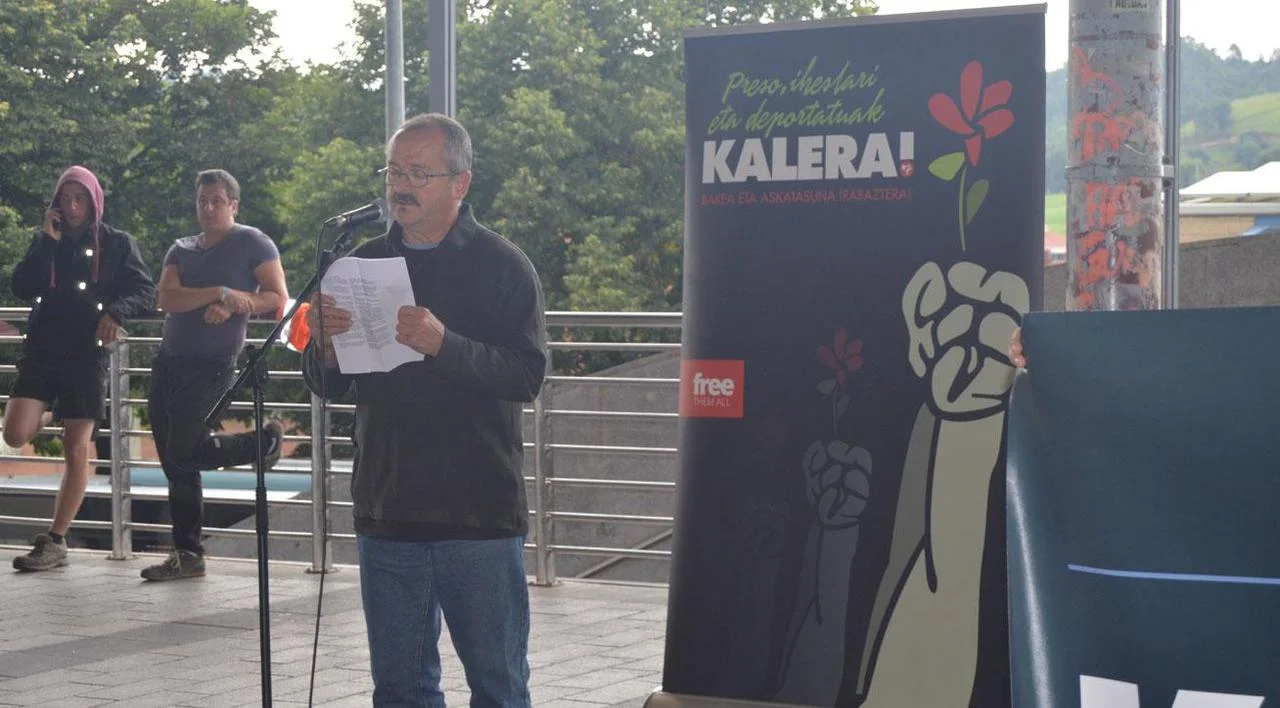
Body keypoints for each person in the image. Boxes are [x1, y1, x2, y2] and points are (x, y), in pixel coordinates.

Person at [302, 113, 547, 707]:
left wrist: (445, 345)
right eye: (394, 172)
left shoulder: (503, 266)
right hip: (388, 508)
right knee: (400, 689)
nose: (401, 186)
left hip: (476, 512)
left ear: (460, 183)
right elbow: (326, 382)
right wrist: (325, 347)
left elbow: (526, 375)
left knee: (497, 686)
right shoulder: (356, 264)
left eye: (418, 173)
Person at [6, 165, 156, 571]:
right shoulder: (47, 240)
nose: (73, 207)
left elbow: (145, 290)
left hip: (87, 352)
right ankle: (55, 411)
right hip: (42, 350)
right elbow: (21, 286)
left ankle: (55, 540)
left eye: (80, 199)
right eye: (66, 198)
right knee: (15, 433)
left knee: (76, 446)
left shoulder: (118, 243)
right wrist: (46, 242)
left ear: (93, 201)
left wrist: (117, 312)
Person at [141, 169, 288, 582]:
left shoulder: (253, 242)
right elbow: (167, 298)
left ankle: (265, 441)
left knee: (183, 452)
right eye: (202, 200)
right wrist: (218, 292)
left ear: (233, 205)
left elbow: (276, 297)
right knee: (175, 463)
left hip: (213, 364)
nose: (208, 208)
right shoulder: (181, 248)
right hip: (169, 361)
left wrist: (236, 303)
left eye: (217, 201)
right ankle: (188, 554)